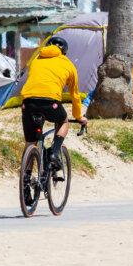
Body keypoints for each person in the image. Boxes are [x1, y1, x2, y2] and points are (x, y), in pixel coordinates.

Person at [20, 36, 86, 172]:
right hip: (51, 103)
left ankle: (25, 180)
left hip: (28, 103)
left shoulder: (36, 59)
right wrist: (79, 117)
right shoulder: (68, 64)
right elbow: (75, 95)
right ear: (64, 52)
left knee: (30, 142)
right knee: (63, 121)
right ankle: (55, 152)